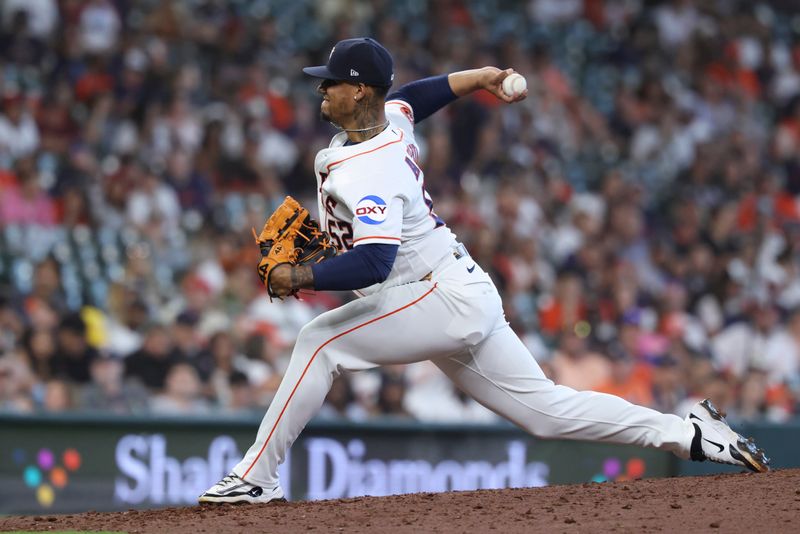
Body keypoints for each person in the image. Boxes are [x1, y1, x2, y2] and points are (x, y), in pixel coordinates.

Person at [200, 37, 769, 504]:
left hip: (434, 294)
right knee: (547, 412)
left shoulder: (368, 169)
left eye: (333, 80)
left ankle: (256, 477)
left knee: (320, 341)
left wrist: (298, 278)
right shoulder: (387, 125)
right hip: (451, 289)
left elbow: (374, 262)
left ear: (362, 90)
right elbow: (414, 99)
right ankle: (692, 434)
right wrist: (479, 76)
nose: (322, 88)